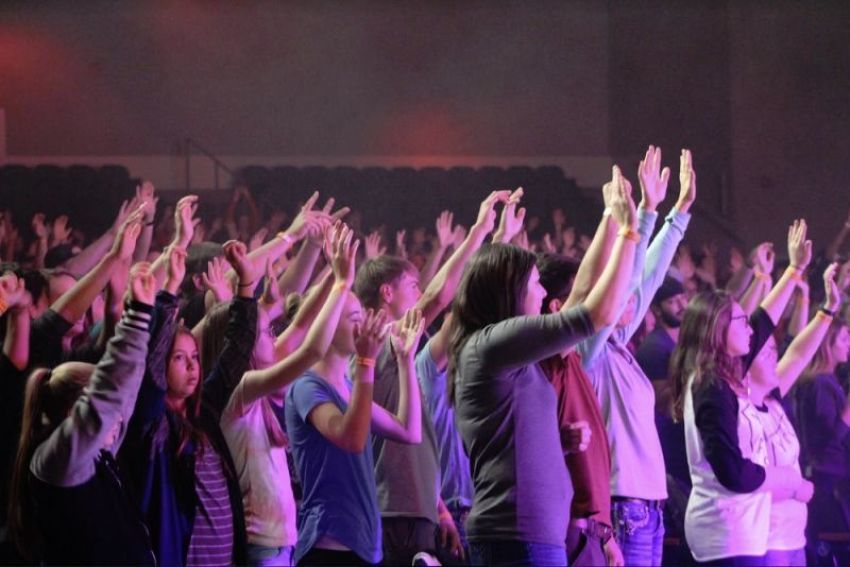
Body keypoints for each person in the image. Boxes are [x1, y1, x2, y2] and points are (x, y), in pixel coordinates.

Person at [448, 170, 638, 566]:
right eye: (535, 283)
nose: (542, 293)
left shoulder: (511, 353)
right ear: (510, 292)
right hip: (517, 537)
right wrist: (628, 233)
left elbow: (580, 294)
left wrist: (609, 217)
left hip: (531, 536)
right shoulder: (493, 343)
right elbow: (596, 312)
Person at [670, 219, 815, 565]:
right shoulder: (710, 385)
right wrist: (787, 480)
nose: (751, 330)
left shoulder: (720, 375)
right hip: (726, 534)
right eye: (741, 322)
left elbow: (763, 321)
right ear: (717, 330)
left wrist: (794, 271)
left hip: (742, 532)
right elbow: (731, 469)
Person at [576, 146, 695, 566]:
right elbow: (630, 284)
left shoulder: (617, 348)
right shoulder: (587, 351)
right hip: (622, 508)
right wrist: (641, 218)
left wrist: (675, 214)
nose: (634, 296)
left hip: (647, 507)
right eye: (622, 291)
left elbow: (650, 278)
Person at [221, 222, 359, 566]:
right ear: (245, 346)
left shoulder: (258, 383)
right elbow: (311, 350)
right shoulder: (242, 390)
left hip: (282, 539)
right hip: (261, 543)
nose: (274, 336)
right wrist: (342, 283)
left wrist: (334, 272)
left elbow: (300, 325)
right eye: (265, 333)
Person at [8, 256, 156, 565]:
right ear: (73, 413)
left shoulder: (98, 453)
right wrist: (136, 318)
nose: (117, 417)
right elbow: (109, 396)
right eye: (101, 407)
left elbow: (124, 391)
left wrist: (145, 311)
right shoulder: (58, 460)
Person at [121, 239, 259, 567]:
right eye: (179, 358)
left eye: (195, 357)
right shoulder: (153, 425)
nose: (193, 366)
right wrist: (169, 289)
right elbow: (151, 368)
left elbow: (236, 350)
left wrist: (245, 280)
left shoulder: (202, 412)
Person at [285, 295, 424, 565]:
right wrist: (366, 362)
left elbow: (409, 430)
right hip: (330, 545)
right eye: (354, 318)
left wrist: (405, 360)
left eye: (362, 314)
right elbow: (352, 439)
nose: (365, 326)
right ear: (323, 324)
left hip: (364, 542)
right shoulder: (306, 387)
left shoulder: (348, 387)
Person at [749, 264, 840, 566]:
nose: (774, 354)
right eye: (766, 351)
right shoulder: (740, 408)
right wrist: (795, 487)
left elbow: (798, 354)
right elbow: (746, 478)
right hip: (763, 542)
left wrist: (827, 310)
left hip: (793, 538)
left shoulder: (773, 400)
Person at [792, 303, 850, 564]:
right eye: (844, 338)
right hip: (828, 485)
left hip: (833, 480)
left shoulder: (828, 380)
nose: (849, 344)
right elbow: (827, 442)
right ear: (828, 344)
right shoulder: (818, 384)